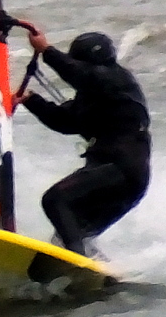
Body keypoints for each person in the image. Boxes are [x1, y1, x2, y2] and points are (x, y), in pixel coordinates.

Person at [13, 26, 151, 258]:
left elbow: (82, 75)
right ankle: (98, 267)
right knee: (72, 232)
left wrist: (46, 50)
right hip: (123, 179)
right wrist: (30, 100)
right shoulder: (92, 100)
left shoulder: (117, 80)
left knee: (55, 199)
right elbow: (64, 121)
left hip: (121, 169)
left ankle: (78, 263)